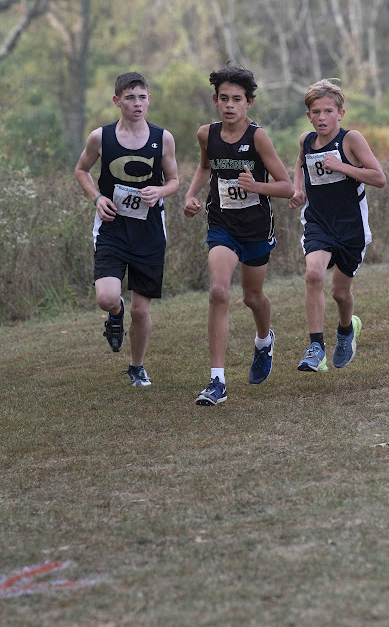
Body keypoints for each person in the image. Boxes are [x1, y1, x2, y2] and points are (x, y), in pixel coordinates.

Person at [184, 64, 294, 405]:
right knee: (218, 291)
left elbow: (287, 187)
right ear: (216, 101)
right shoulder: (207, 134)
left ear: (249, 103)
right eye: (224, 99)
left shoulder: (257, 137)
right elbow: (205, 167)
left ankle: (264, 341)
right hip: (222, 224)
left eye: (237, 99)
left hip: (256, 228)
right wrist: (191, 195)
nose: (229, 105)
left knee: (252, 297)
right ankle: (217, 382)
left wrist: (255, 185)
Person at [75, 71, 179, 387]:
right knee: (106, 297)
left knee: (142, 311)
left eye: (142, 97)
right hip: (112, 228)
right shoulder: (100, 137)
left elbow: (174, 180)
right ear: (117, 100)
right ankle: (115, 315)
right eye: (130, 97)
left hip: (149, 232)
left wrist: (159, 192)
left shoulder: (163, 138)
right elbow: (81, 170)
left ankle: (137, 367)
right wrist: (97, 198)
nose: (137, 103)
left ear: (149, 99)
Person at [289, 78, 386, 372]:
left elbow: (378, 177)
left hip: (351, 227)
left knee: (340, 294)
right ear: (309, 115)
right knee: (313, 274)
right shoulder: (306, 140)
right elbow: (301, 163)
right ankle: (316, 346)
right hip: (318, 222)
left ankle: (346, 330)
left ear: (340, 113)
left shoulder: (350, 139)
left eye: (328, 111)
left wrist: (341, 165)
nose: (322, 117)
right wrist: (297, 189)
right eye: (316, 112)